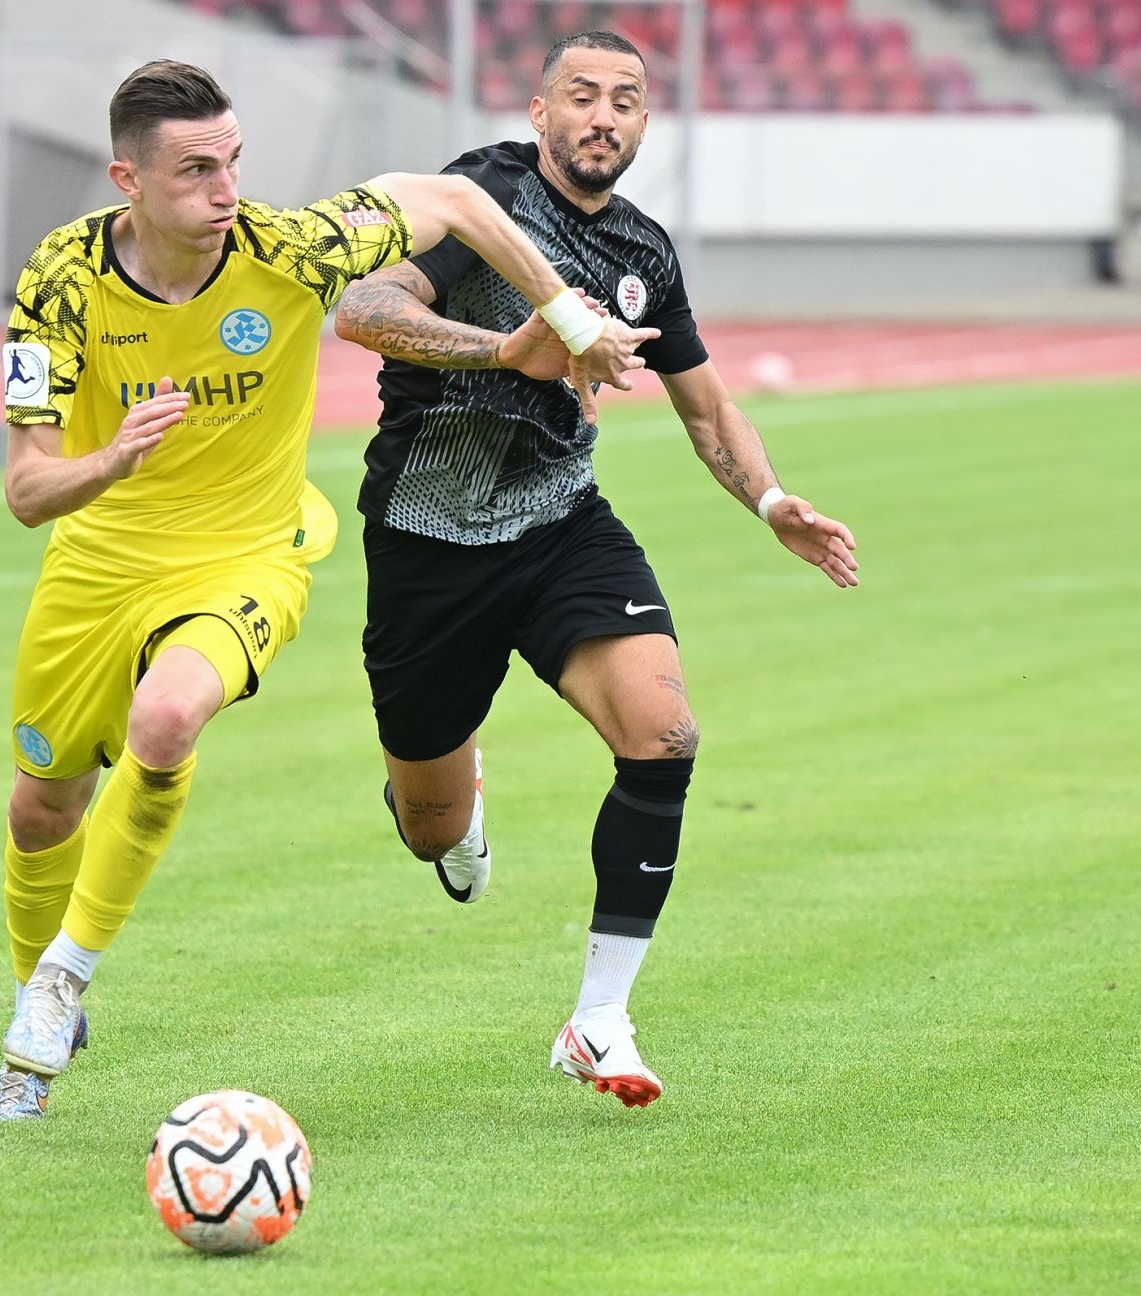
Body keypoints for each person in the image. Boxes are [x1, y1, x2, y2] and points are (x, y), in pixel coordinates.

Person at [0, 59, 651, 1121]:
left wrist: (565, 317)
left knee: (167, 719)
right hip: (99, 561)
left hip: (247, 556)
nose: (226, 190)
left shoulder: (290, 248)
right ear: (128, 181)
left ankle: (62, 983)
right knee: (40, 808)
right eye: (196, 171)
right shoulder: (62, 276)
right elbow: (27, 490)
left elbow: (458, 199)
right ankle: (34, 1008)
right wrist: (112, 460)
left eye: (234, 162)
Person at [332, 30, 858, 1109]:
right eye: (581, 95)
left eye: (625, 99)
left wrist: (770, 500)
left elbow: (708, 408)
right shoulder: (481, 198)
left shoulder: (643, 253)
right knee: (430, 824)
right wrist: (507, 348)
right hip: (429, 540)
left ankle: (599, 1018)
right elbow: (363, 311)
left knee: (665, 734)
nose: (602, 116)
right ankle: (453, 805)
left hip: (560, 525)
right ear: (540, 111)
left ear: (644, 123)